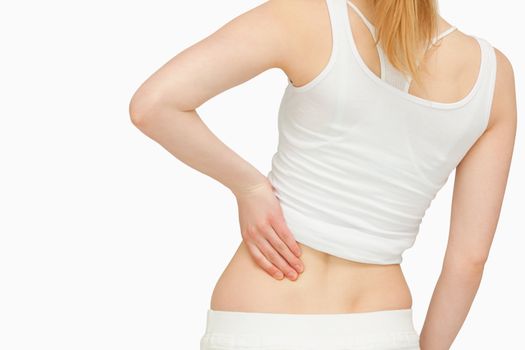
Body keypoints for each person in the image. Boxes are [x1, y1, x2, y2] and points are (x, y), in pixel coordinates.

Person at [128, 0, 517, 348]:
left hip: (262, 317)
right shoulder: (492, 75)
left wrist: (248, 187)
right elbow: (469, 259)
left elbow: (154, 105)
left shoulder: (306, 16)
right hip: (379, 324)